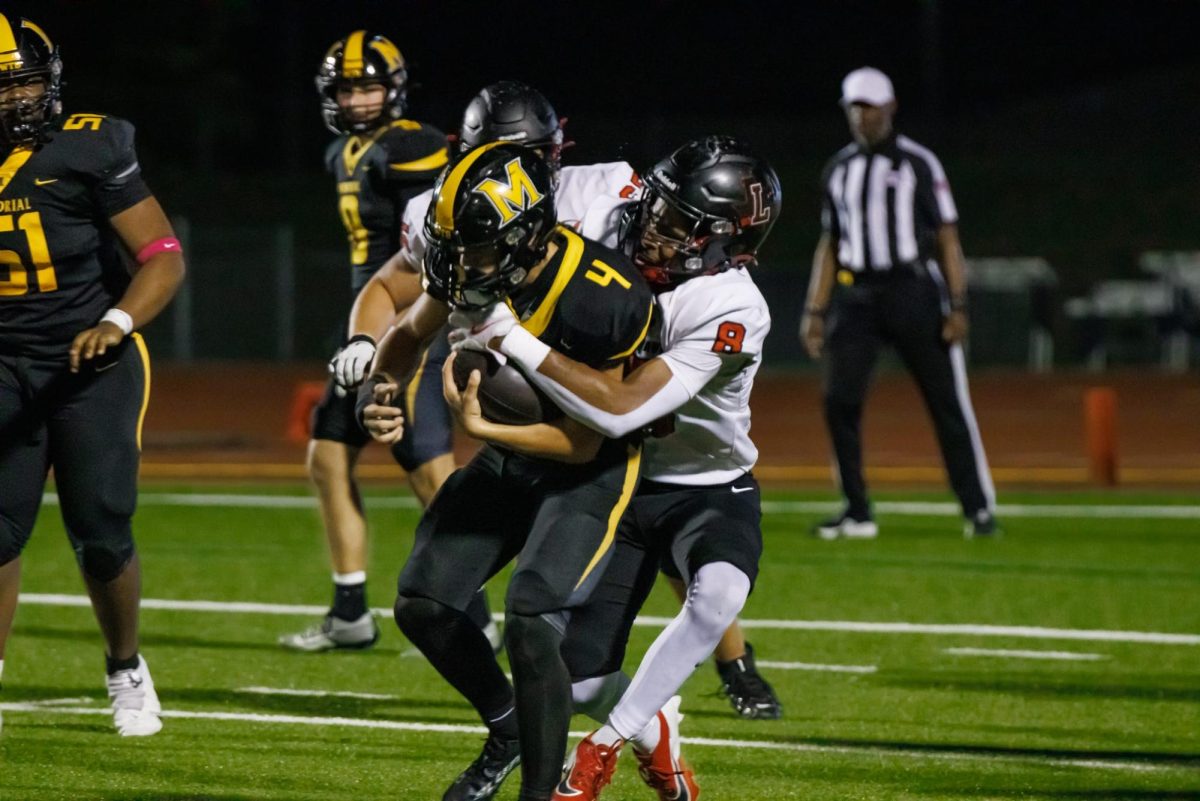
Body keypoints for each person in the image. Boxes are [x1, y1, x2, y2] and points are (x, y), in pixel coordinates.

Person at [477, 136, 781, 799]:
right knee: (577, 678)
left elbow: (619, 408)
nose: (652, 227)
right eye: (656, 207)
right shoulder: (614, 217)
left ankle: (606, 744)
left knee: (721, 592)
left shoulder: (732, 308)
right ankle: (655, 730)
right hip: (621, 481)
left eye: (678, 222)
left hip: (706, 486)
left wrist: (511, 338)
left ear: (727, 240)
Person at [359, 143, 653, 801]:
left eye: (474, 246)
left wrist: (484, 427)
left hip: (588, 470)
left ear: (525, 235)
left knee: (529, 615)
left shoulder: (603, 297)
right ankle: (508, 725)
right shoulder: (475, 271)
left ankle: (540, 793)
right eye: (454, 244)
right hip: (509, 455)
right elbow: (408, 333)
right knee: (424, 601)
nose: (461, 260)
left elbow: (584, 440)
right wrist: (380, 390)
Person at [280, 30, 497, 651]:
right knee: (327, 457)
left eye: (369, 87)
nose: (357, 101)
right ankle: (350, 610)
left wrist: (415, 347)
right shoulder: (343, 153)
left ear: (394, 90)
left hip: (406, 330)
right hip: (364, 329)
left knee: (431, 475)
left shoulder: (414, 147)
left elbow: (431, 249)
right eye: (347, 89)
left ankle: (476, 613)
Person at [0, 14, 186, 736]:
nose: (19, 97)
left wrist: (117, 322)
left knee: (101, 524)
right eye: (3, 83)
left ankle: (125, 665)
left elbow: (163, 253)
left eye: (26, 79)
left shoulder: (90, 143)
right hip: (6, 361)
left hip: (93, 357)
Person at [800, 67, 997, 539]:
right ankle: (857, 509)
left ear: (889, 108)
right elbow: (829, 243)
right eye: (853, 106)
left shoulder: (918, 163)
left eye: (868, 105)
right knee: (838, 401)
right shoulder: (839, 169)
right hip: (858, 296)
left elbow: (947, 236)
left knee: (947, 403)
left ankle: (978, 508)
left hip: (913, 292)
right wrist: (815, 309)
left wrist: (957, 303)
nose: (859, 114)